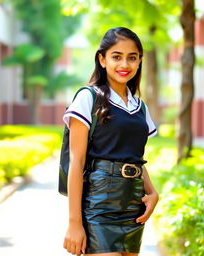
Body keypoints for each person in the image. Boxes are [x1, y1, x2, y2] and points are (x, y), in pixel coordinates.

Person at [62, 27, 159, 256]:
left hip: (133, 206)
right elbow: (76, 163)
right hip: (100, 204)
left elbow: (134, 159)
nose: (124, 65)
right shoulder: (89, 98)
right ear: (102, 59)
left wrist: (152, 192)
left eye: (132, 58)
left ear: (139, 62)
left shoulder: (140, 107)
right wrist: (74, 223)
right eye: (117, 56)